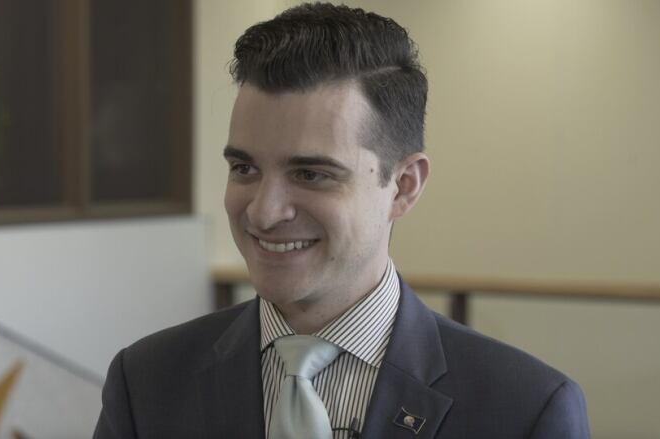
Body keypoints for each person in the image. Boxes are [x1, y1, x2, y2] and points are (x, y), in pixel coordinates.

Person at [94, 3, 590, 438]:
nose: (264, 211)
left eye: (310, 174)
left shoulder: (525, 410)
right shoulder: (147, 383)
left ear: (403, 186)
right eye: (245, 168)